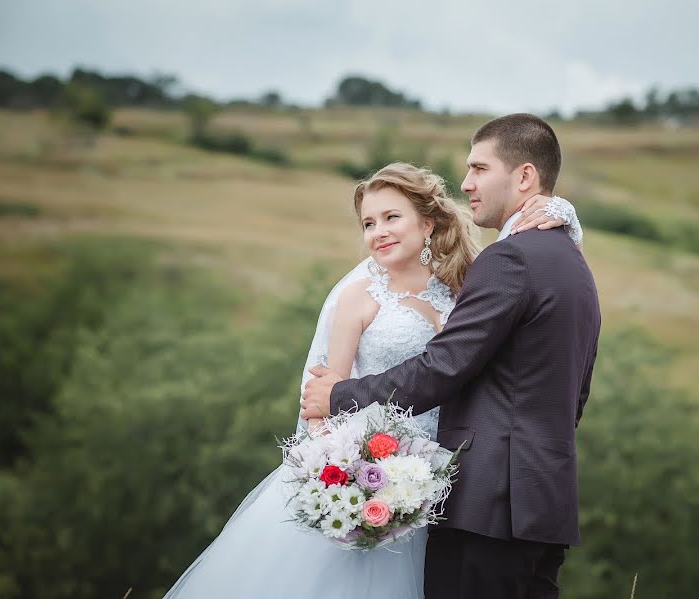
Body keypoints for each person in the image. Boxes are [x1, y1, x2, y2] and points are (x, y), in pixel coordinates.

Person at [162, 158, 583, 599]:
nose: (378, 231)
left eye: (391, 217)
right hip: (369, 479)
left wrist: (565, 214)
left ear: (428, 224)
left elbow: (518, 284)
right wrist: (345, 472)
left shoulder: (466, 286)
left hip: (441, 487)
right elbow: (321, 400)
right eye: (368, 223)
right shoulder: (358, 298)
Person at [302, 113, 601, 599]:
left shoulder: (510, 260)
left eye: (480, 169)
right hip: (545, 503)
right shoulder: (574, 263)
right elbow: (577, 391)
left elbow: (441, 367)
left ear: (524, 176)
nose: (466, 183)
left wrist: (340, 395)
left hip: (489, 508)